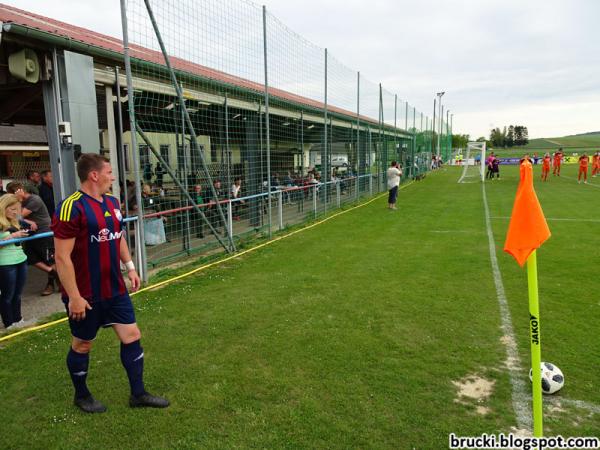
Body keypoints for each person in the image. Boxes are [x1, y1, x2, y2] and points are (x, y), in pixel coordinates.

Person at [51, 153, 169, 413]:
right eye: (109, 172)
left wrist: (130, 267)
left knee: (132, 336)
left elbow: (118, 237)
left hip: (114, 288)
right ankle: (81, 396)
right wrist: (74, 296)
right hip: (85, 294)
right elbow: (61, 257)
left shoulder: (113, 203)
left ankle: (138, 394)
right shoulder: (71, 206)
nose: (113, 177)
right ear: (94, 175)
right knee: (83, 344)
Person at [6, 181, 58, 296]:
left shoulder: (34, 200)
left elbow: (18, 216)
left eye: (12, 195)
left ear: (19, 191)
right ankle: (55, 274)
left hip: (44, 233)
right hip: (31, 234)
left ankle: (52, 284)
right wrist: (28, 221)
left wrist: (18, 200)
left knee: (49, 259)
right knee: (30, 257)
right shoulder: (21, 201)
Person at [0, 194, 29, 329]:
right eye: (12, 209)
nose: (15, 212)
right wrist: (12, 236)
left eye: (17, 209)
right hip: (5, 264)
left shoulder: (14, 222)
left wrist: (23, 233)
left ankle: (18, 319)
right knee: (7, 295)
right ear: (3, 207)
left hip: (21, 260)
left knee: (17, 293)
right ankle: (9, 324)